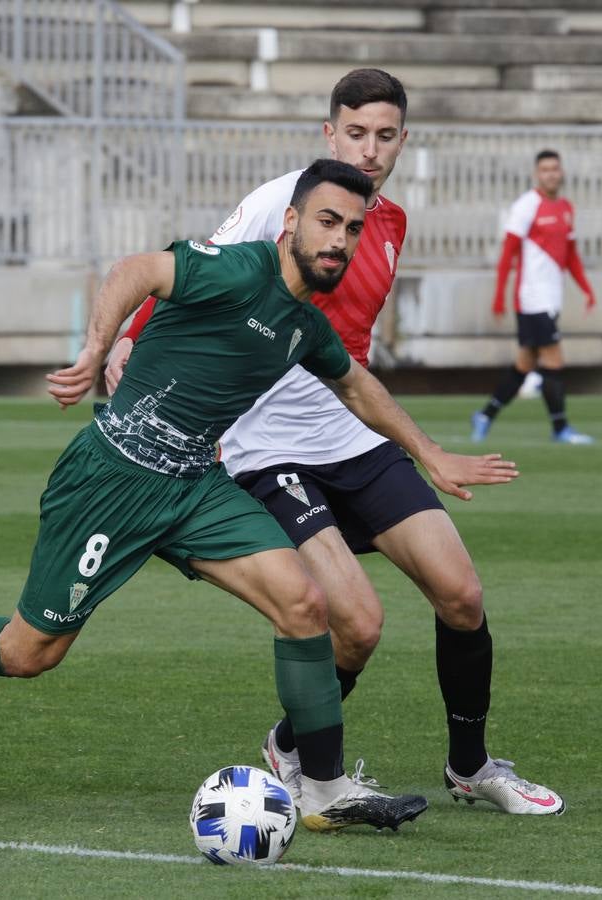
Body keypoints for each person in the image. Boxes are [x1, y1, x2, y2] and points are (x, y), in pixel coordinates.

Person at [0, 160, 520, 833]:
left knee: (304, 602)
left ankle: (322, 787)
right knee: (30, 653)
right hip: (111, 481)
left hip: (195, 487)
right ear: (290, 222)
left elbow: (355, 385)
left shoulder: (305, 326)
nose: (340, 241)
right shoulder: (238, 270)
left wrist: (430, 454)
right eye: (327, 222)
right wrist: (96, 349)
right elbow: (138, 271)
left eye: (352, 229)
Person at [106, 69, 565, 817]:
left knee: (462, 594)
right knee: (357, 625)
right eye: (356, 133)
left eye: (385, 135)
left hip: (349, 437)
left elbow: (350, 351)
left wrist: (420, 449)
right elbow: (192, 264)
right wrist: (130, 340)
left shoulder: (389, 222)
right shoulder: (283, 202)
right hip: (268, 449)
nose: (370, 149)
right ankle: (300, 756)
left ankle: (471, 765)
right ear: (330, 133)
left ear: (403, 141)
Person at [471, 149, 596, 445]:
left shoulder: (566, 208)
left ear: (561, 172)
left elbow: (571, 257)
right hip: (532, 298)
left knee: (525, 364)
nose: (551, 174)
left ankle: (485, 415)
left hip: (551, 298)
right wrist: (499, 295)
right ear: (536, 174)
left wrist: (586, 288)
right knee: (553, 359)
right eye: (545, 169)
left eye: (555, 168)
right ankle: (560, 428)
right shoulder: (526, 206)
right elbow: (508, 253)